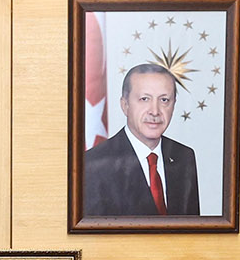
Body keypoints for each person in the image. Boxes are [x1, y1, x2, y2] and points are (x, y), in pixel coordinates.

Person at [82, 63, 200, 217]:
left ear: (173, 105)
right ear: (125, 105)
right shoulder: (94, 164)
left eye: (164, 100)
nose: (155, 111)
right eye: (145, 99)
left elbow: (193, 234)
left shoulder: (184, 156)